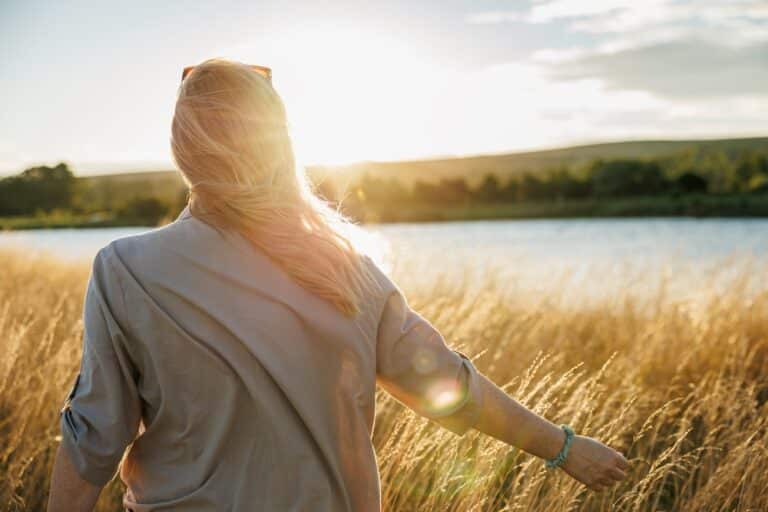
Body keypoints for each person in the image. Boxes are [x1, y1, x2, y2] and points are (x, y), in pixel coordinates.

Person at [47, 58, 628, 512]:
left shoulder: (126, 269)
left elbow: (93, 435)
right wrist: (566, 449)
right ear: (281, 149)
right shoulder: (347, 269)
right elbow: (449, 386)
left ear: (183, 150)